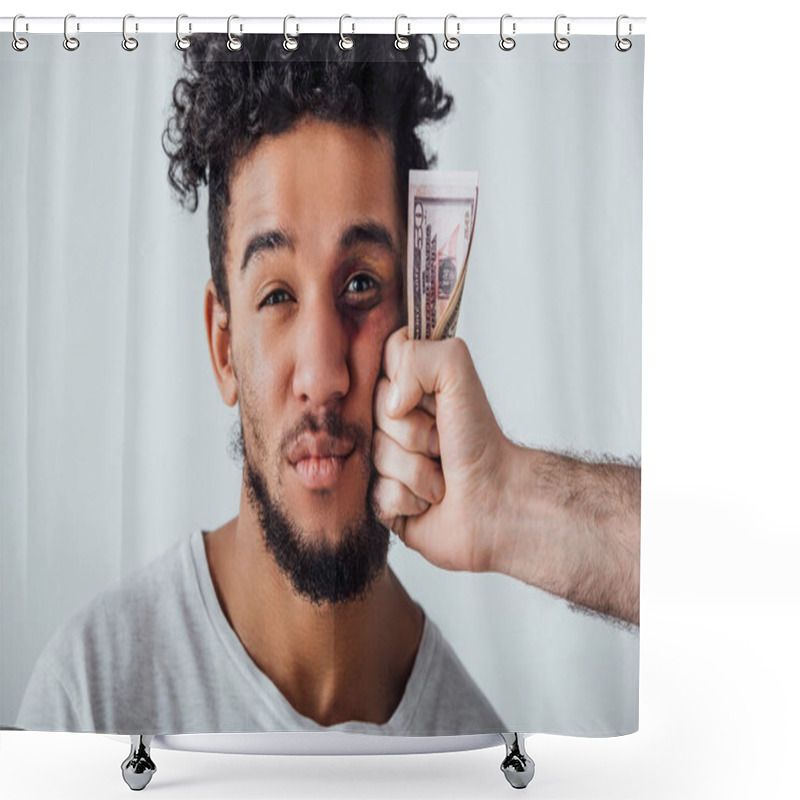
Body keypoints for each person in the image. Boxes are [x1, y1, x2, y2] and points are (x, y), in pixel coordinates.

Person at [14, 33, 639, 736]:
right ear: (223, 348)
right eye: (277, 295)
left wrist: (512, 505)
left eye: (362, 284)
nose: (323, 376)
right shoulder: (86, 703)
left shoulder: (478, 755)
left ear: (420, 321)